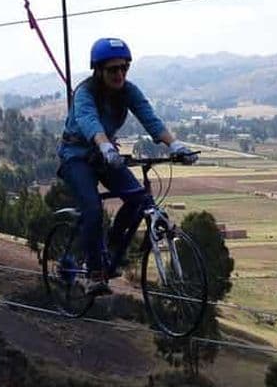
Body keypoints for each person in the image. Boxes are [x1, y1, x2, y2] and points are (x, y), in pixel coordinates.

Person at [57, 37, 197, 295]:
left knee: (138, 199)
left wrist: (175, 145)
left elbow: (149, 118)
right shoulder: (85, 92)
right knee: (92, 209)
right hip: (76, 156)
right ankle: (94, 271)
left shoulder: (128, 91)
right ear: (98, 70)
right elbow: (88, 121)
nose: (119, 74)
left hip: (105, 155)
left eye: (124, 68)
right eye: (113, 69)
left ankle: (111, 249)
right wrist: (104, 145)